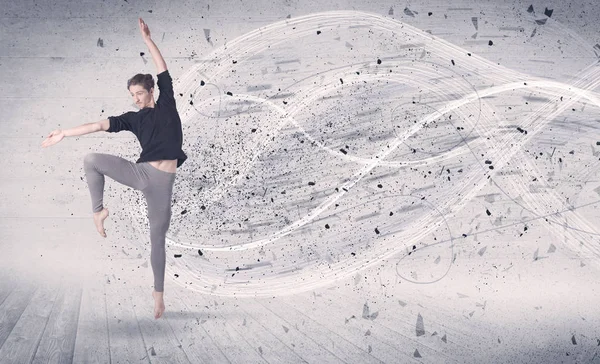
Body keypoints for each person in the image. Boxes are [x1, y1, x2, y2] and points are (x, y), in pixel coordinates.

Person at [41, 18, 187, 319]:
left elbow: (163, 70)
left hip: (162, 185)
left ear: (150, 90)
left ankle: (158, 297)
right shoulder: (133, 119)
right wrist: (65, 132)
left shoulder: (168, 103)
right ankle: (98, 211)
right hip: (141, 173)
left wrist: (148, 39)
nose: (135, 98)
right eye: (131, 95)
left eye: (139, 93)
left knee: (157, 240)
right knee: (91, 159)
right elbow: (97, 125)